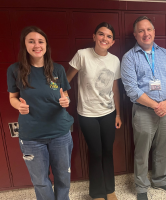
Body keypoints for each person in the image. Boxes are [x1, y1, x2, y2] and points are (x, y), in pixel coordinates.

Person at [7, 26, 74, 200]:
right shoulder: (15, 70)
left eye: (40, 41)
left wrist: (66, 101)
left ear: (46, 45)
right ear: (25, 45)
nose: (37, 45)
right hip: (32, 137)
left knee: (63, 177)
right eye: (31, 41)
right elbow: (12, 97)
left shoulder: (57, 69)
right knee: (40, 181)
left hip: (60, 133)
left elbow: (64, 95)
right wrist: (18, 106)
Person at [121, 16, 166, 200]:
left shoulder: (165, 53)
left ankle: (160, 180)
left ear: (154, 32)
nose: (146, 34)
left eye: (149, 30)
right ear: (135, 34)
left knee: (164, 147)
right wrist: (156, 106)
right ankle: (141, 187)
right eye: (141, 30)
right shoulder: (129, 57)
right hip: (144, 111)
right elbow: (131, 89)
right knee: (142, 150)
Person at [67, 22, 121, 200]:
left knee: (108, 151)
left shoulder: (114, 60)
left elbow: (115, 89)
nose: (104, 38)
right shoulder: (82, 55)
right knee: (96, 152)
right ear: (94, 36)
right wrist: (59, 97)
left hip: (108, 113)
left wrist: (118, 113)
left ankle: (110, 189)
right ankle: (97, 192)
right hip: (87, 114)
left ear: (112, 42)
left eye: (109, 36)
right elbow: (67, 80)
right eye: (101, 34)